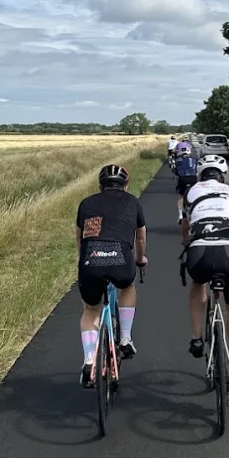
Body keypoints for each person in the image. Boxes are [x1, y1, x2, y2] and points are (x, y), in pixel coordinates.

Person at [180, 154, 229, 387]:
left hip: (200, 253)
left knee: (198, 284)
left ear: (201, 174)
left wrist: (187, 245)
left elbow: (186, 228)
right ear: (223, 175)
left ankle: (197, 338)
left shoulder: (189, 194)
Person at [76, 164, 148, 388]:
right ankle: (125, 338)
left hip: (91, 259)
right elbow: (141, 239)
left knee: (91, 309)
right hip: (120, 258)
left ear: (100, 186)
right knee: (127, 287)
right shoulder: (133, 202)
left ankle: (89, 360)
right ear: (126, 186)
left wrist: (85, 262)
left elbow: (80, 240)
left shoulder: (86, 203)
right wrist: (140, 259)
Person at [172, 142, 198, 222]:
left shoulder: (177, 160)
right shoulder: (194, 159)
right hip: (193, 178)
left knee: (181, 197)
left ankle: (180, 215)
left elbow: (175, 170)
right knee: (194, 196)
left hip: (182, 178)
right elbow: (197, 170)